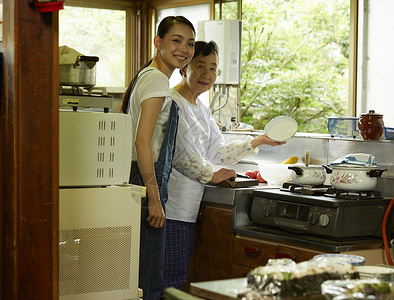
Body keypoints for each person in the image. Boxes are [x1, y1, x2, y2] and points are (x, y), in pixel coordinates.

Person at [163, 41, 285, 290]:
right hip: (171, 208)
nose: (207, 74)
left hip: (190, 208)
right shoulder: (172, 103)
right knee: (169, 281)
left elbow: (217, 153)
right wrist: (213, 174)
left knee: (180, 278)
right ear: (184, 68)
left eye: (213, 67)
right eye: (200, 66)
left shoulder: (202, 108)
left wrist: (255, 142)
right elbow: (182, 155)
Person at [119, 16, 196, 300]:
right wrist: (153, 198)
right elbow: (142, 140)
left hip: (135, 179)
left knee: (134, 276)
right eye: (176, 40)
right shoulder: (157, 82)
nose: (184, 49)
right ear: (158, 42)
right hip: (144, 181)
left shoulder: (146, 76)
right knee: (148, 278)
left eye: (189, 43)